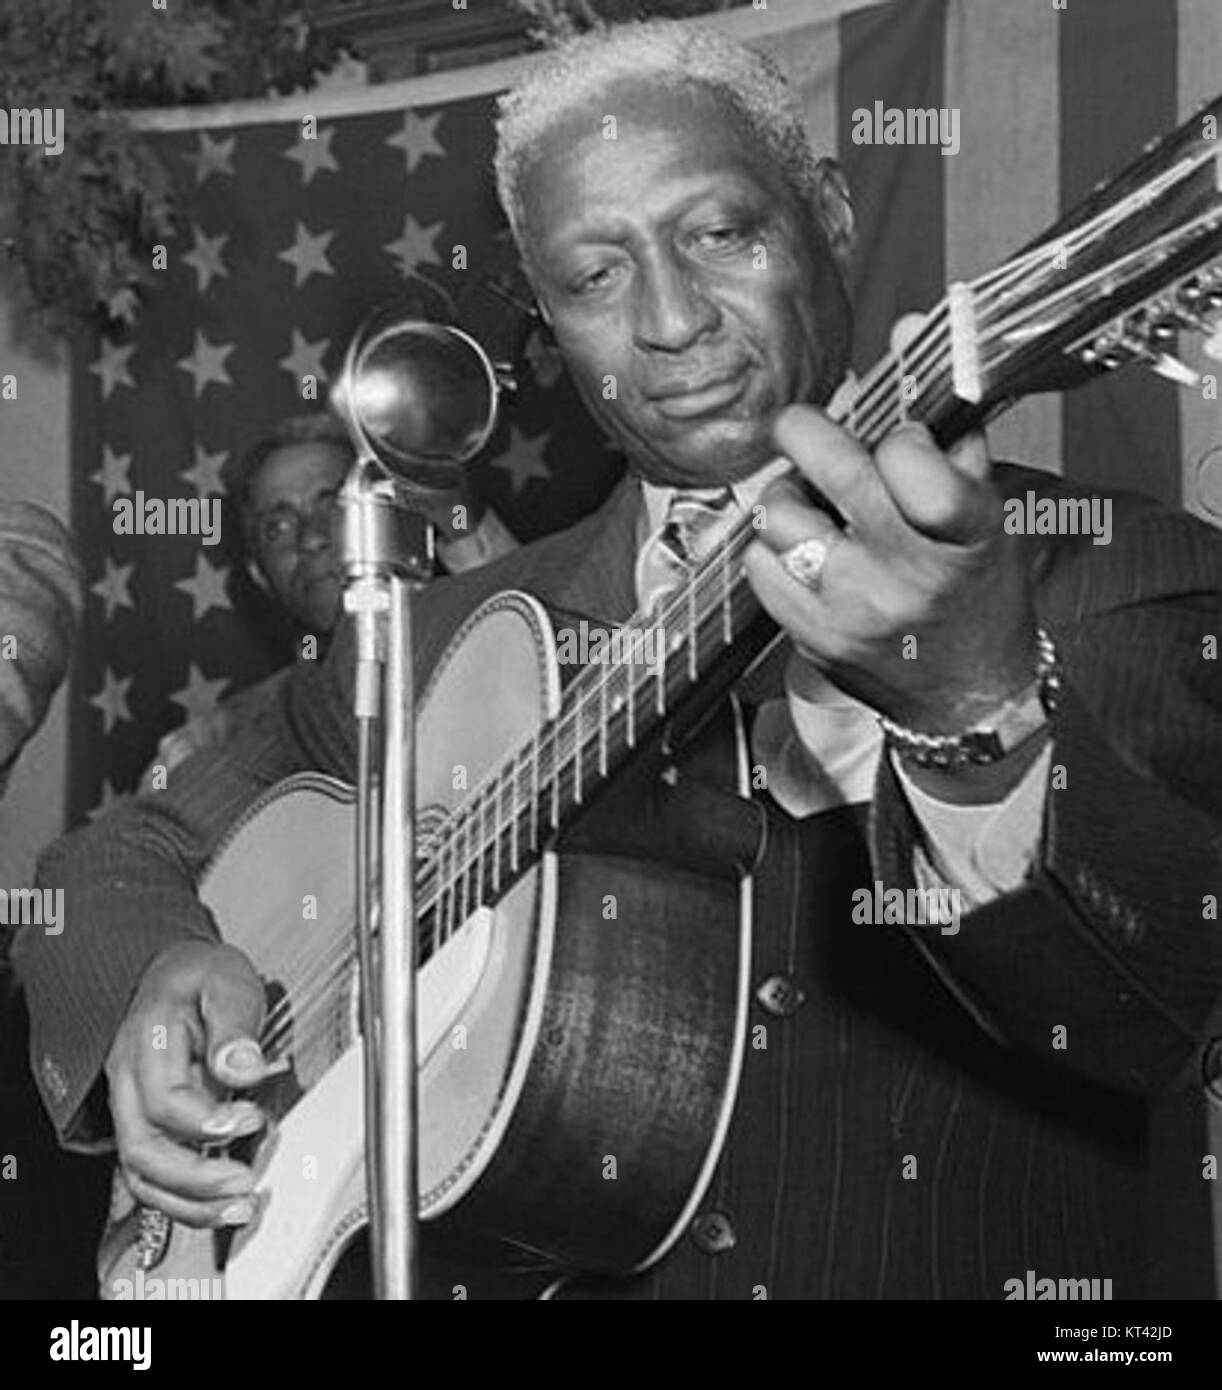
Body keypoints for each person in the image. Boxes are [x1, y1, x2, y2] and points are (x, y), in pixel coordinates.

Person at [15, 20, 1222, 1299]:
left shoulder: (1117, 571)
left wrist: (971, 707)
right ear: (546, 317)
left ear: (828, 214)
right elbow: (116, 852)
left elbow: (1158, 1013)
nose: (670, 320)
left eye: (720, 233)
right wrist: (158, 975)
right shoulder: (430, 636)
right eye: (594, 277)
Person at [144, 411, 518, 782]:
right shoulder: (218, 741)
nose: (311, 538)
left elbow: (540, 619)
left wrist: (454, 512)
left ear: (394, 520)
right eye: (278, 526)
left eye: (336, 505)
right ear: (260, 575)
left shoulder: (486, 638)